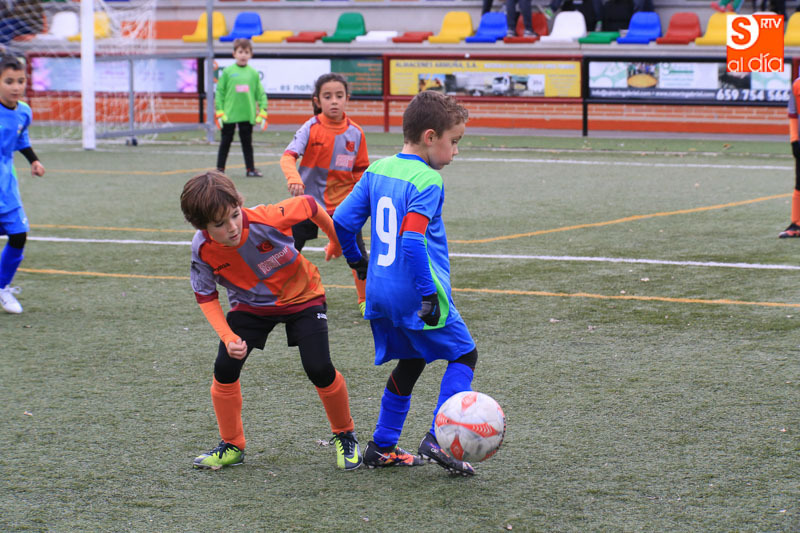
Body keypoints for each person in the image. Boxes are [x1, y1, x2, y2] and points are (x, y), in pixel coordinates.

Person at [333, 91, 478, 476]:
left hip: (380, 291)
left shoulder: (378, 169)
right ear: (430, 137)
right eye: (454, 142)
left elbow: (342, 221)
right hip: (416, 292)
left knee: (412, 360)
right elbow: (412, 240)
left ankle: (382, 446)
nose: (456, 152)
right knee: (464, 354)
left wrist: (357, 261)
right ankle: (440, 438)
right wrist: (429, 294)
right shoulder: (428, 179)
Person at [180, 170, 362, 471]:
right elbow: (206, 296)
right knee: (225, 368)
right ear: (202, 226)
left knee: (318, 368)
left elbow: (310, 204)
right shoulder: (202, 249)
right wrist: (228, 337)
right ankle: (232, 445)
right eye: (220, 224)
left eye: (235, 215)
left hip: (303, 296)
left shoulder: (266, 217)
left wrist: (336, 241)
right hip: (250, 306)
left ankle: (345, 434)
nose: (232, 227)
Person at [280, 73, 370, 315]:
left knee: (359, 257)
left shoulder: (356, 133)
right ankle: (280, 294)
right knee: (288, 250)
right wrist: (294, 178)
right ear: (317, 101)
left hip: (343, 205)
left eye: (339, 96)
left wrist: (364, 200)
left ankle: (365, 300)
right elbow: (288, 157)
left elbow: (361, 171)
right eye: (328, 96)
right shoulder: (310, 128)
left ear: (347, 98)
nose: (334, 101)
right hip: (308, 204)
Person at [0, 54, 44, 314]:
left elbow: (21, 140)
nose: (16, 87)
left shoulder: (24, 111)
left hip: (6, 183)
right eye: (9, 81)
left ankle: (2, 286)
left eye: (20, 81)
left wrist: (34, 160)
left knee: (18, 235)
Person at [214, 38, 267, 178]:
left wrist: (263, 110)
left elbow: (260, 93)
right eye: (240, 52)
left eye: (246, 52)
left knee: (247, 143)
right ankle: (219, 170)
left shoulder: (253, 73)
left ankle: (250, 169)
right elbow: (220, 92)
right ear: (234, 54)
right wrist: (219, 110)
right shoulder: (227, 72)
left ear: (251, 55)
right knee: (225, 142)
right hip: (229, 114)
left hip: (247, 114)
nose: (243, 55)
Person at [781, 74, 800, 237]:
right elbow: (793, 114)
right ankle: (796, 224)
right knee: (799, 183)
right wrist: (794, 140)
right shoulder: (797, 85)